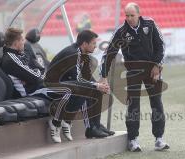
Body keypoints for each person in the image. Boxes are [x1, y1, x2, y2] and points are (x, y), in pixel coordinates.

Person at [99, 2, 169, 151]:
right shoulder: (121, 31)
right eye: (127, 15)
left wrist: (157, 65)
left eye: (132, 15)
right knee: (133, 106)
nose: (129, 18)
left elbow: (161, 46)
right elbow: (109, 53)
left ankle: (159, 139)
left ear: (138, 14)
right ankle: (133, 140)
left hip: (153, 71)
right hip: (132, 73)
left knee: (157, 104)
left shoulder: (150, 24)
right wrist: (103, 75)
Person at [46, 30, 115, 143]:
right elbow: (78, 79)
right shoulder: (73, 54)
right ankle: (88, 128)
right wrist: (96, 85)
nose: (95, 46)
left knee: (95, 90)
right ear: (84, 44)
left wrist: (100, 86)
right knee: (85, 89)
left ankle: (95, 125)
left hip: (67, 84)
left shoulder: (83, 54)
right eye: (93, 43)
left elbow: (87, 76)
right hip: (52, 86)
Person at [1, 27, 46, 98]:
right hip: (29, 92)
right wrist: (36, 71)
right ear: (16, 43)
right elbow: (35, 77)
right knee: (66, 91)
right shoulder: (11, 59)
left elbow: (40, 70)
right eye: (22, 40)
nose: (24, 42)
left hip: (36, 87)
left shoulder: (19, 55)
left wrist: (34, 71)